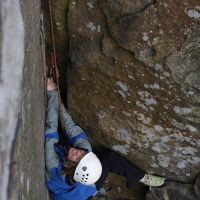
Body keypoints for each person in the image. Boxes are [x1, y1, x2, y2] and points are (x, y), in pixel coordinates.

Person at [45, 78, 165, 200]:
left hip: (82, 189)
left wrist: (52, 94)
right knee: (110, 158)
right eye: (81, 156)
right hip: (85, 185)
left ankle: (140, 177)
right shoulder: (81, 151)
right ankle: (140, 176)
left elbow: (51, 130)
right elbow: (65, 125)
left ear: (72, 167)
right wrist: (55, 93)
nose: (78, 152)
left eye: (78, 157)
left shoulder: (56, 162)